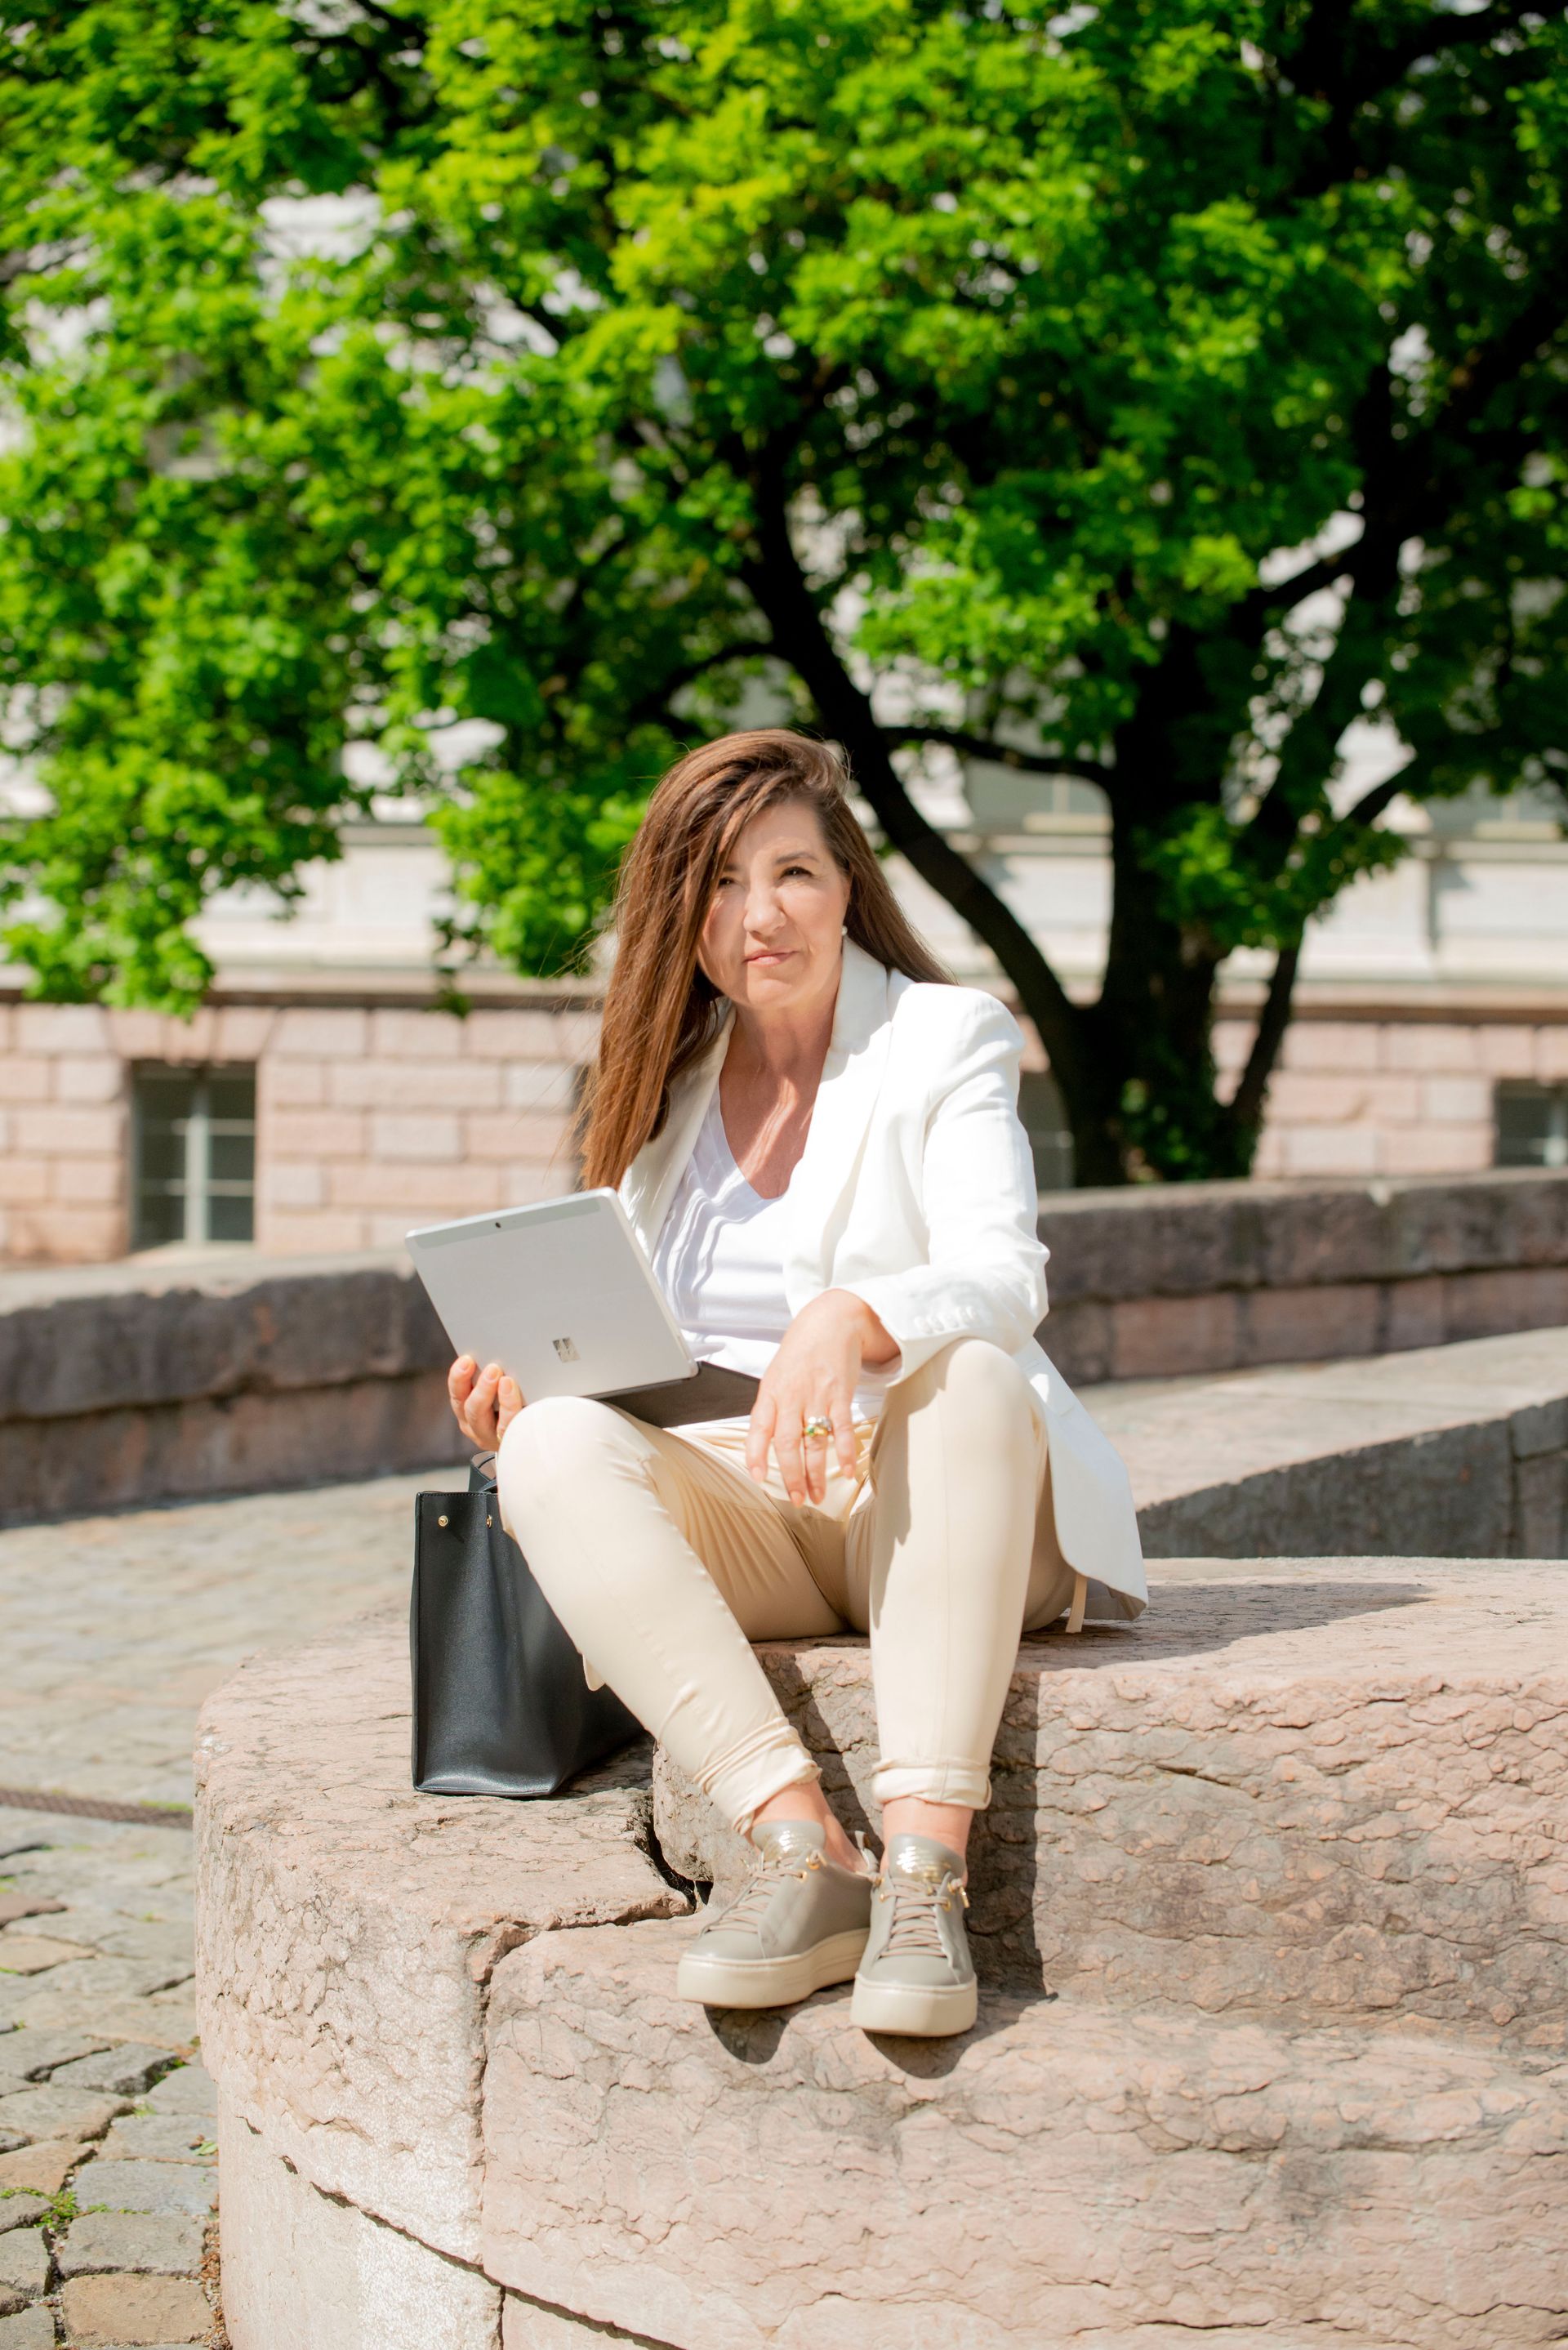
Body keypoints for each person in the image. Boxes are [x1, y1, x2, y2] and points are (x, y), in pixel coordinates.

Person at [448, 729, 1144, 2037]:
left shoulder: (943, 1035)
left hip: (945, 1504)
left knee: (969, 1375)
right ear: (682, 913)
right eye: (718, 882)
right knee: (549, 1447)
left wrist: (854, 1317)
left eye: (791, 874)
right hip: (762, 1513)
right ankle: (802, 1849)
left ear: (846, 886)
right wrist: (531, 1385)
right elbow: (638, 1347)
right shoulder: (666, 1083)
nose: (758, 915)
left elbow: (1005, 1275)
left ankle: (926, 1877)